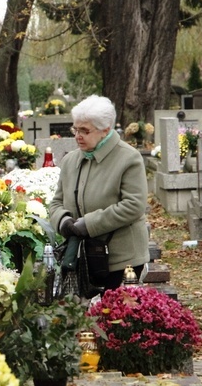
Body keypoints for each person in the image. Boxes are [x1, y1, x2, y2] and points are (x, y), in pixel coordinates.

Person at [48, 94, 150, 290]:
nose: (78, 136)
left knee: (115, 316)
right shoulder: (71, 160)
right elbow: (56, 202)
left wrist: (89, 224)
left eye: (85, 130)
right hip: (83, 256)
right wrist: (63, 221)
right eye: (75, 129)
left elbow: (134, 206)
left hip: (122, 258)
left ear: (105, 130)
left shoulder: (129, 158)